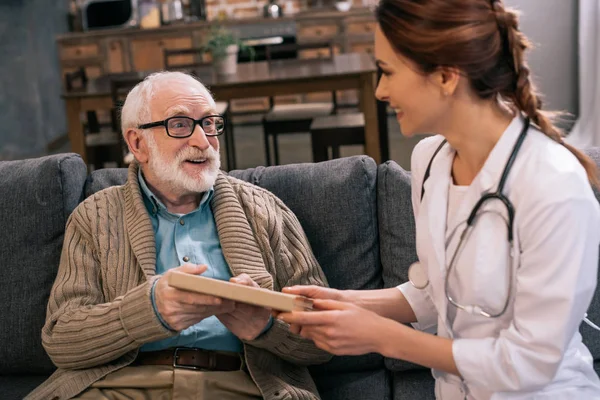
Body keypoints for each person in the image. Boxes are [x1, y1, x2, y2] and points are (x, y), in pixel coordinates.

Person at [278, 0, 600, 398]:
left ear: (446, 77)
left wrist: (382, 337)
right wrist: (344, 302)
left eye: (388, 71)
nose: (379, 90)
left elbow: (530, 363)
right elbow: (437, 295)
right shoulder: (430, 160)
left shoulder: (555, 184)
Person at [26, 71, 331, 400]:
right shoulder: (95, 217)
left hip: (242, 386)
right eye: (180, 125)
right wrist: (148, 311)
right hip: (120, 387)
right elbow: (62, 340)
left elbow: (326, 336)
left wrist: (266, 328)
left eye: (210, 123)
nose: (203, 141)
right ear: (137, 143)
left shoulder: (266, 210)